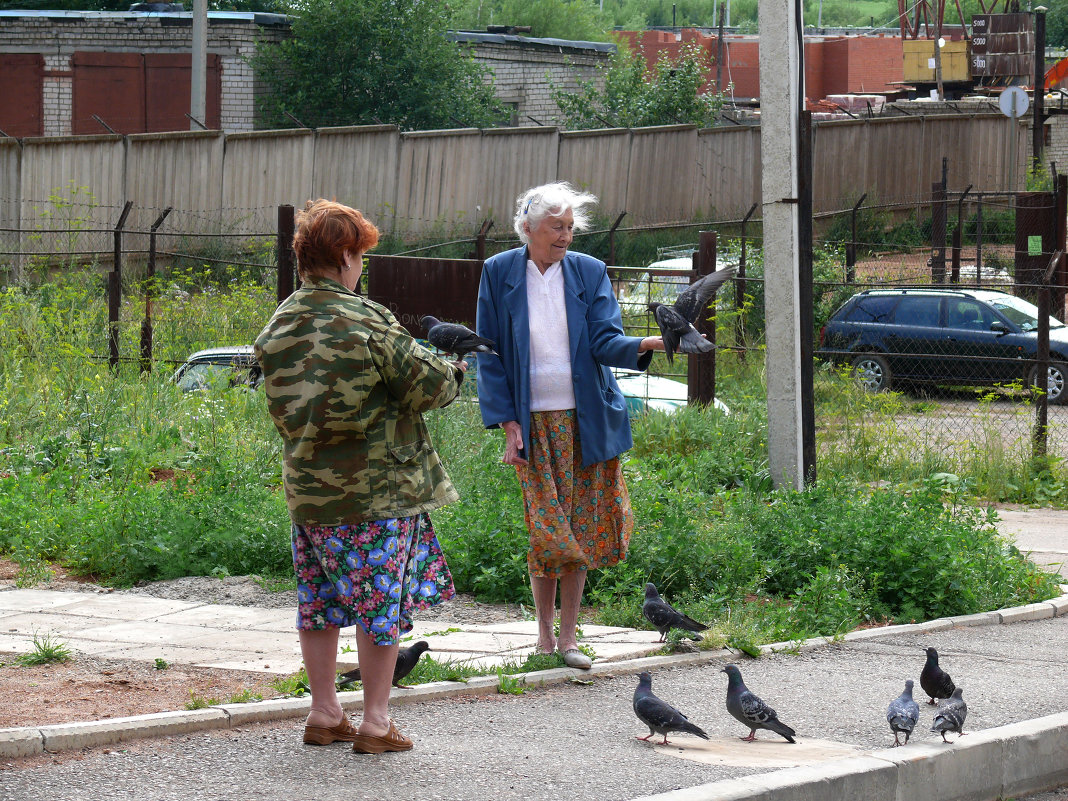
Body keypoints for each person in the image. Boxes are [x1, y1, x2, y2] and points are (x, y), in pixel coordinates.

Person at [255, 199, 465, 753]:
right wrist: (456, 369)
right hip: (378, 493)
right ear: (345, 254)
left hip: (308, 492)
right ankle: (375, 721)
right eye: (360, 256)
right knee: (381, 604)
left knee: (318, 601)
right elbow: (429, 387)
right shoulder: (365, 319)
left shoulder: (278, 324)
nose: (361, 267)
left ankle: (324, 713)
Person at [475, 182, 664, 669]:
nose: (565, 236)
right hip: (533, 424)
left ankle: (569, 639)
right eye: (556, 227)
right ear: (528, 228)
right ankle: (542, 637)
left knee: (577, 530)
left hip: (585, 420)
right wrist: (507, 422)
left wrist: (648, 345)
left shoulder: (588, 271)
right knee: (546, 531)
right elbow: (489, 353)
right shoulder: (498, 272)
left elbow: (605, 341)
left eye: (570, 227)